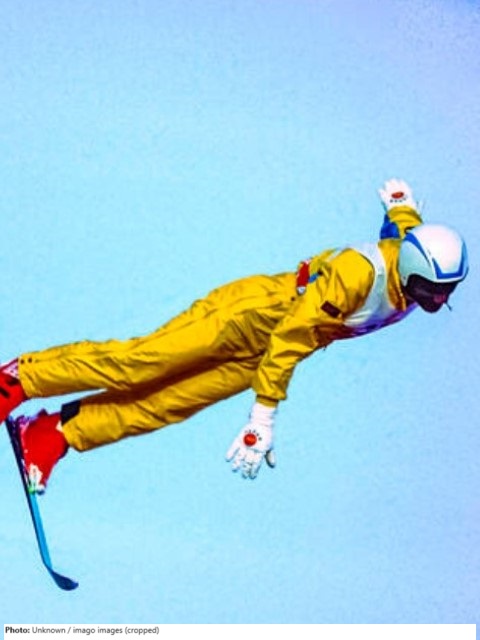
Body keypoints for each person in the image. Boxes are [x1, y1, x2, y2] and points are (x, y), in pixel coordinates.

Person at [0, 179, 469, 493]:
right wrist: (263, 416)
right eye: (431, 288)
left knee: (167, 404)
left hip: (261, 355)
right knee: (141, 363)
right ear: (412, 267)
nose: (437, 299)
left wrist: (400, 205)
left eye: (446, 290)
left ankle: (53, 433)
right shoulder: (356, 274)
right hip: (251, 316)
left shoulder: (411, 270)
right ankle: (20, 379)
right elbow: (292, 335)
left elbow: (405, 230)